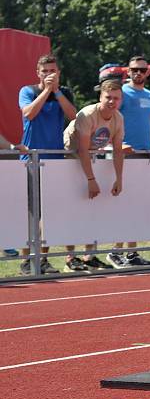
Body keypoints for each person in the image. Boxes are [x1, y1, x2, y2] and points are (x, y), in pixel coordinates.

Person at [17, 54, 77, 276]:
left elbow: (73, 116)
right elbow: (29, 114)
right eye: (45, 71)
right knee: (31, 214)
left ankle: (42, 259)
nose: (49, 75)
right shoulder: (27, 91)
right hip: (31, 160)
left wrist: (57, 92)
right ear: (38, 73)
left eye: (53, 71)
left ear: (58, 72)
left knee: (49, 215)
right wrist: (46, 91)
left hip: (56, 160)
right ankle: (26, 261)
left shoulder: (65, 93)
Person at [62, 78, 125, 272]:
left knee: (93, 208)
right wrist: (91, 180)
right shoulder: (87, 114)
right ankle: (70, 257)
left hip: (92, 155)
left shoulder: (118, 118)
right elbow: (81, 149)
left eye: (116, 98)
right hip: (68, 157)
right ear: (100, 97)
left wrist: (119, 178)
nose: (112, 102)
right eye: (108, 97)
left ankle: (89, 256)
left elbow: (117, 150)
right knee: (72, 210)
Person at [107, 56, 150, 268]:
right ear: (127, 71)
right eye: (134, 70)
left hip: (145, 153)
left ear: (147, 73)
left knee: (137, 204)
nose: (138, 73)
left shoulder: (148, 94)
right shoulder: (122, 93)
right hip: (126, 153)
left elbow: (148, 120)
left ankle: (132, 252)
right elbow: (110, 118)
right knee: (123, 204)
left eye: (142, 70)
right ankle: (115, 251)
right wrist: (116, 144)